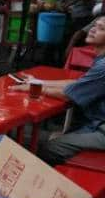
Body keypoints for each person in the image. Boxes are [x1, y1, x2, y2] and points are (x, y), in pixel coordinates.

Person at [12, 16, 105, 165]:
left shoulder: (103, 66)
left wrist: (33, 89)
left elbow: (68, 94)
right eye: (94, 25)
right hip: (96, 123)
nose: (93, 29)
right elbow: (78, 84)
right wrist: (38, 82)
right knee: (55, 136)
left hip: (101, 129)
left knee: (50, 148)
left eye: (101, 28)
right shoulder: (101, 60)